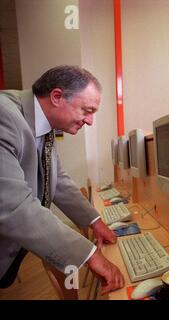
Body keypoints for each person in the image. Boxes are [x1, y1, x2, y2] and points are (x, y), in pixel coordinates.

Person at [0, 65, 124, 294]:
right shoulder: (4, 115)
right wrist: (89, 254)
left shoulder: (44, 126)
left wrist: (93, 220)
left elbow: (58, 180)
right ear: (57, 97)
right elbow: (14, 205)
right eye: (87, 110)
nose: (90, 121)